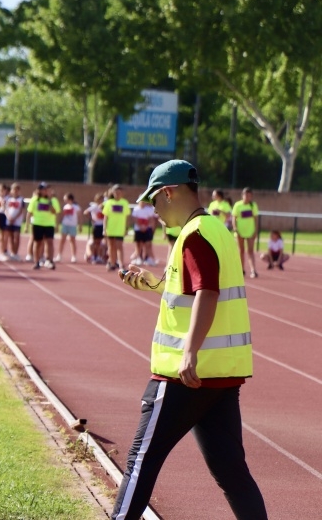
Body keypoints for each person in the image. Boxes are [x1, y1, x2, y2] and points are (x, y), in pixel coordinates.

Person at [114, 159, 267, 520]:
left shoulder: (193, 235)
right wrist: (150, 282)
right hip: (221, 376)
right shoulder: (215, 229)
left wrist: (189, 352)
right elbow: (189, 288)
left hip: (183, 375)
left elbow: (207, 293)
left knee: (140, 461)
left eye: (153, 200)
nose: (153, 210)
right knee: (232, 473)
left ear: (169, 192)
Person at [25, 182, 60, 270]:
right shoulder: (35, 199)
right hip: (37, 224)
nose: (47, 191)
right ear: (40, 191)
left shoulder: (53, 200)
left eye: (48, 190)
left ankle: (50, 260)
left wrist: (50, 203)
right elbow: (29, 212)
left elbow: (55, 212)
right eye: (45, 190)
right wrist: (27, 225)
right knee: (38, 243)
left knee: (50, 242)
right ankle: (37, 261)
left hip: (49, 224)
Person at [232, 187, 259, 278]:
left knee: (250, 251)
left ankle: (253, 270)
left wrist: (255, 230)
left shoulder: (253, 205)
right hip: (240, 231)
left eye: (250, 195)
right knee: (241, 251)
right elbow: (234, 217)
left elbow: (255, 219)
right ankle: (241, 270)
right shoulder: (237, 205)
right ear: (242, 195)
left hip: (250, 231)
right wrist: (235, 228)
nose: (248, 197)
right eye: (246, 195)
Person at [102, 185, 130, 271]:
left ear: (122, 194)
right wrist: (104, 229)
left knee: (119, 246)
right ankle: (112, 262)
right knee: (111, 246)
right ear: (113, 193)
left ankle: (121, 264)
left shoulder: (124, 203)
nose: (117, 194)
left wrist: (126, 228)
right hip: (111, 228)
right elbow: (105, 217)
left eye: (119, 193)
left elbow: (127, 217)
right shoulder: (109, 203)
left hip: (120, 229)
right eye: (116, 193)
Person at [130, 199, 157, 266]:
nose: (143, 203)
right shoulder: (136, 209)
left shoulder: (148, 209)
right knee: (138, 244)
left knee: (148, 244)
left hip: (147, 229)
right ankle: (138, 257)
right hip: (138, 229)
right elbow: (135, 219)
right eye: (142, 202)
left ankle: (148, 258)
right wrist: (140, 226)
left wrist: (145, 226)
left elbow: (151, 219)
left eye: (144, 202)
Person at [56, 193, 80, 263]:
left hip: (73, 225)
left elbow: (79, 216)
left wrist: (80, 225)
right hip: (65, 224)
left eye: (65, 198)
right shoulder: (65, 206)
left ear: (69, 199)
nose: (64, 200)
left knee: (72, 240)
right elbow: (63, 215)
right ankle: (59, 255)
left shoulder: (76, 207)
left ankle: (73, 256)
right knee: (62, 240)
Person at [4, 183, 26, 261]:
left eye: (17, 190)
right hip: (9, 220)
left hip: (17, 221)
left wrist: (15, 218)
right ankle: (12, 252)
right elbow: (5, 208)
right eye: (14, 189)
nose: (15, 191)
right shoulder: (8, 199)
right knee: (10, 237)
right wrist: (9, 217)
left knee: (16, 237)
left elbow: (21, 210)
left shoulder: (21, 199)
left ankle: (15, 253)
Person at [83, 193, 105, 264]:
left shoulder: (104, 207)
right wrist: (92, 219)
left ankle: (98, 256)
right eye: (99, 199)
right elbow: (85, 212)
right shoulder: (94, 207)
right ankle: (93, 256)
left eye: (102, 199)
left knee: (99, 242)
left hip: (102, 226)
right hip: (96, 226)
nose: (100, 201)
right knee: (95, 242)